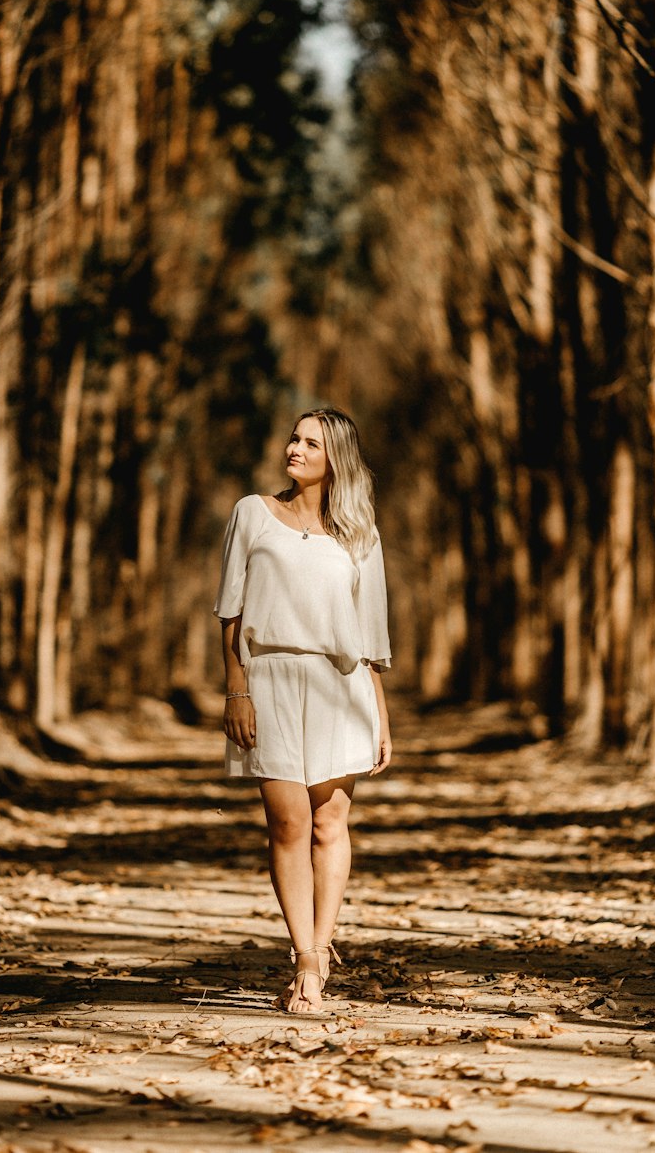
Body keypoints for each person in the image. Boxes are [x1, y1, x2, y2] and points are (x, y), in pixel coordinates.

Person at [214, 406, 393, 1015]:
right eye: (293, 437)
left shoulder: (359, 535)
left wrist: (380, 714)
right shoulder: (252, 513)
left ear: (335, 458)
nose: (295, 448)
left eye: (311, 443)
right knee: (288, 823)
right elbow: (231, 613)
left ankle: (319, 951)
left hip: (341, 685)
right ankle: (304, 955)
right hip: (268, 677)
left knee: (329, 825)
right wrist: (236, 687)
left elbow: (369, 636)